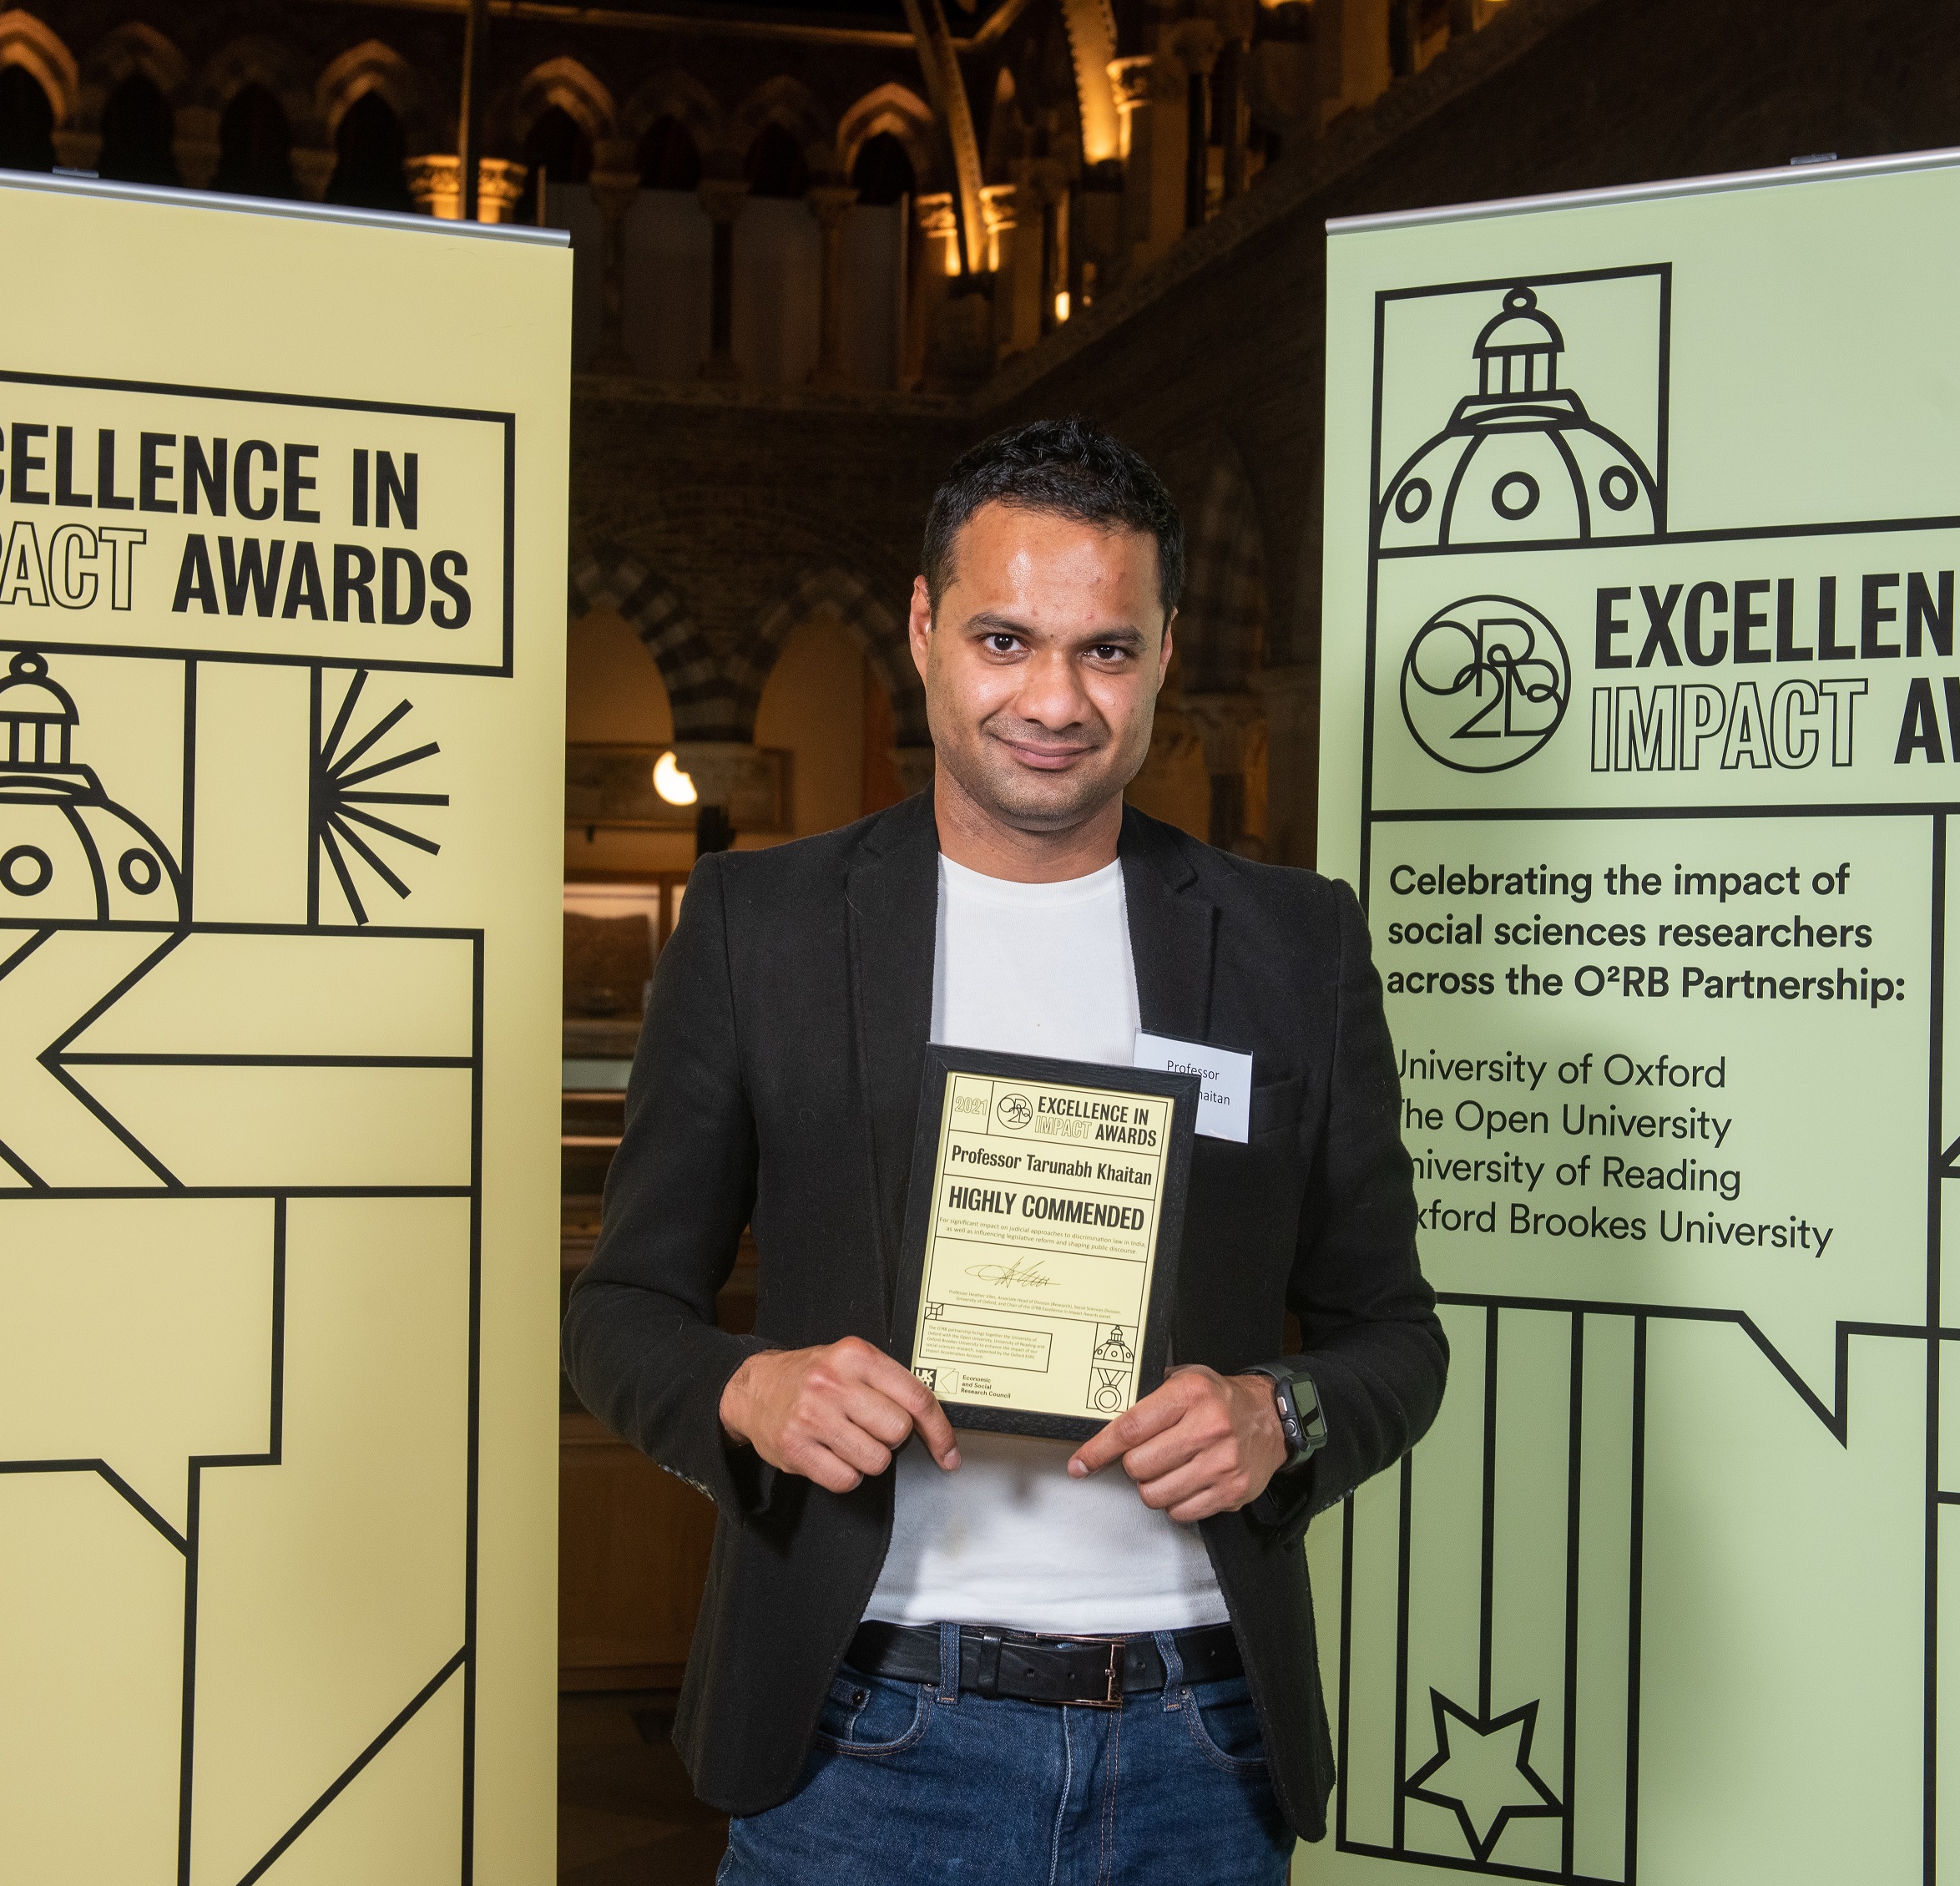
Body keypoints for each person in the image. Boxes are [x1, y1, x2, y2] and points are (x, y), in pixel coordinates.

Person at [564, 417, 1447, 1883]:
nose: (1054, 698)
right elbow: (615, 1314)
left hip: (1198, 1743)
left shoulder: (1296, 944)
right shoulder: (760, 929)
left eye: (1106, 649)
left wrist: (1279, 1416)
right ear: (922, 629)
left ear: (1166, 655)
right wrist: (748, 1388)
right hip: (863, 1736)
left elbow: (1392, 1335)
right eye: (1003, 638)